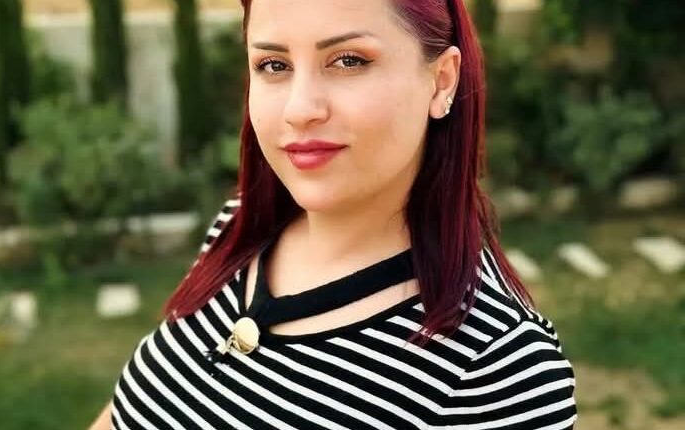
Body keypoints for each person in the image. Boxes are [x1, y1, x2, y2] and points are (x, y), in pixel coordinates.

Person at [90, 0, 577, 428]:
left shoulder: (499, 369)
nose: (300, 109)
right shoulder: (240, 230)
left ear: (441, 81)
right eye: (273, 65)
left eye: (349, 60)